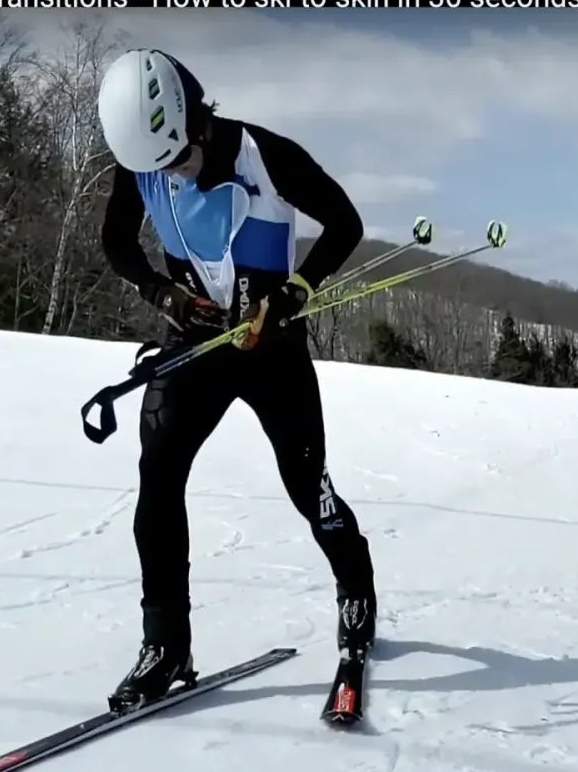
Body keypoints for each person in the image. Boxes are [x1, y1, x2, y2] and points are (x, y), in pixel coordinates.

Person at [95, 48, 376, 712]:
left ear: (199, 123)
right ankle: (165, 644)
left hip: (271, 348)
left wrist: (294, 292)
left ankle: (356, 587)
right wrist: (163, 296)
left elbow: (345, 223)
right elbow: (118, 245)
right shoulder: (140, 161)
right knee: (158, 479)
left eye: (182, 160)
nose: (174, 177)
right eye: (157, 169)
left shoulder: (265, 153)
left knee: (308, 482)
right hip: (194, 345)